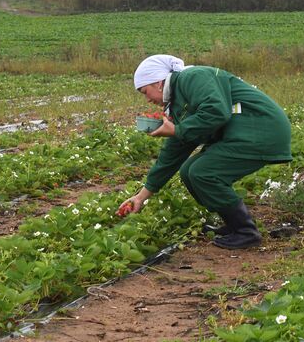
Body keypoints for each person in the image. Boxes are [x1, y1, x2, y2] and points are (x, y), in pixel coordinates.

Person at [117, 55, 292, 250]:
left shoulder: (192, 77)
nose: (148, 99)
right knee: (188, 171)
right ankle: (234, 225)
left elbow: (216, 111)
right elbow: (173, 153)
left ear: (158, 83)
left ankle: (246, 232)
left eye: (145, 92)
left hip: (260, 128)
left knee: (203, 172)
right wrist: (141, 197)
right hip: (243, 132)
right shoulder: (177, 101)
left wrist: (176, 130)